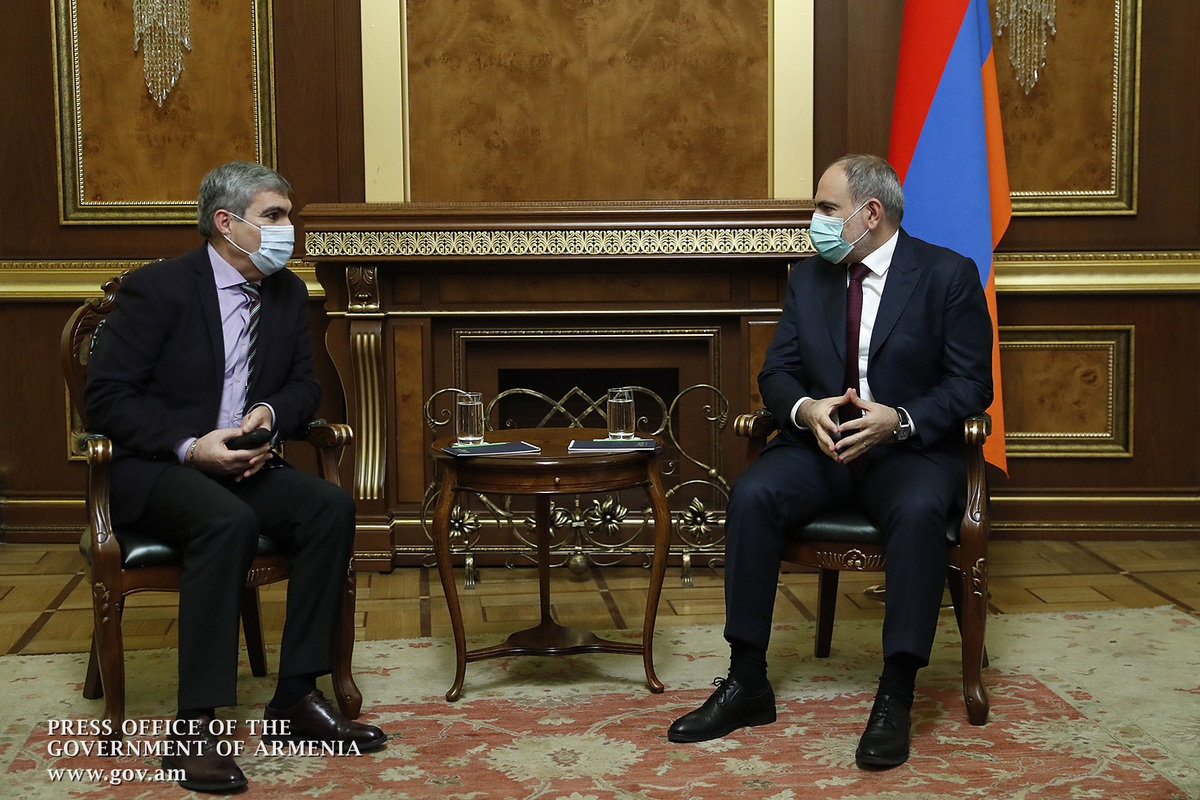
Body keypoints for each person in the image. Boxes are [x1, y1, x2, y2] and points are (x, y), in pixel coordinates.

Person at [667, 154, 993, 768]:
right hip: (819, 450)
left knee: (920, 510)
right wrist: (805, 408)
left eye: (824, 208)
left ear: (869, 214)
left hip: (905, 451)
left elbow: (972, 384)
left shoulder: (947, 274)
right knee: (753, 494)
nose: (812, 220)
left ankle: (896, 692)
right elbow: (777, 372)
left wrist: (898, 419)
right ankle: (746, 680)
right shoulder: (810, 277)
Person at [85, 161, 386, 792]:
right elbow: (107, 399)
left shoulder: (287, 292)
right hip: (158, 467)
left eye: (288, 216)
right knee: (228, 521)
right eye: (274, 216)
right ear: (227, 223)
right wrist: (192, 446)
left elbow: (304, 385)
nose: (288, 229)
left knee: (329, 506)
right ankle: (194, 727)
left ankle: (296, 697)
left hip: (246, 461)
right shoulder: (158, 289)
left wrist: (270, 417)